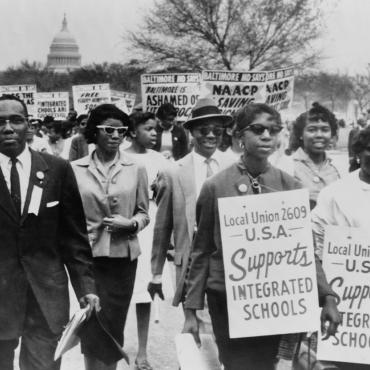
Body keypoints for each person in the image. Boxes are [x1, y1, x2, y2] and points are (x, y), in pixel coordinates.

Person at [182, 103, 341, 370]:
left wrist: (327, 297)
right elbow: (201, 251)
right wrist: (191, 311)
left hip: (275, 302)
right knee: (237, 364)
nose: (267, 136)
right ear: (239, 135)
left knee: (271, 364)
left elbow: (305, 252)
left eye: (273, 130)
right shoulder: (215, 187)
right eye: (257, 129)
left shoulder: (290, 187)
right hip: (228, 302)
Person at [0, 94, 100, 370]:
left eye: (16, 121)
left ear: (28, 126)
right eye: (0, 122)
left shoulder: (57, 170)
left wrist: (86, 288)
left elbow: (74, 238)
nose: (8, 128)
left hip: (46, 296)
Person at [72, 104, 149, 370]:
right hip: (88, 260)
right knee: (92, 324)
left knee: (113, 325)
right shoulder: (74, 169)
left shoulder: (135, 168)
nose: (116, 136)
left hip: (121, 260)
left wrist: (131, 224)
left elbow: (144, 214)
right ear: (95, 131)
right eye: (109, 130)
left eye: (122, 130)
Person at [149, 97, 234, 309]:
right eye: (204, 130)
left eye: (217, 130)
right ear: (192, 132)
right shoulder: (173, 172)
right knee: (192, 327)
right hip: (191, 262)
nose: (211, 135)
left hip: (229, 260)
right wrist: (157, 273)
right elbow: (162, 226)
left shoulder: (235, 167)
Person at [311, 126, 370, 370]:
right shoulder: (335, 194)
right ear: (358, 153)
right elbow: (314, 248)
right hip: (350, 308)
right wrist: (327, 298)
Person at [125, 111, 171, 370]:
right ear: (132, 131)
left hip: (152, 227)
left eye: (156, 130)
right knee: (121, 291)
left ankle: (142, 351)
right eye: (148, 129)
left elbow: (170, 195)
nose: (154, 134)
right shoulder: (121, 156)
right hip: (129, 225)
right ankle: (116, 344)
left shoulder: (160, 160)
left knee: (145, 292)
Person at [277, 102, 341, 209]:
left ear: (331, 134)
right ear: (301, 135)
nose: (319, 135)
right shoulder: (286, 165)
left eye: (325, 130)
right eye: (312, 130)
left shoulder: (338, 167)